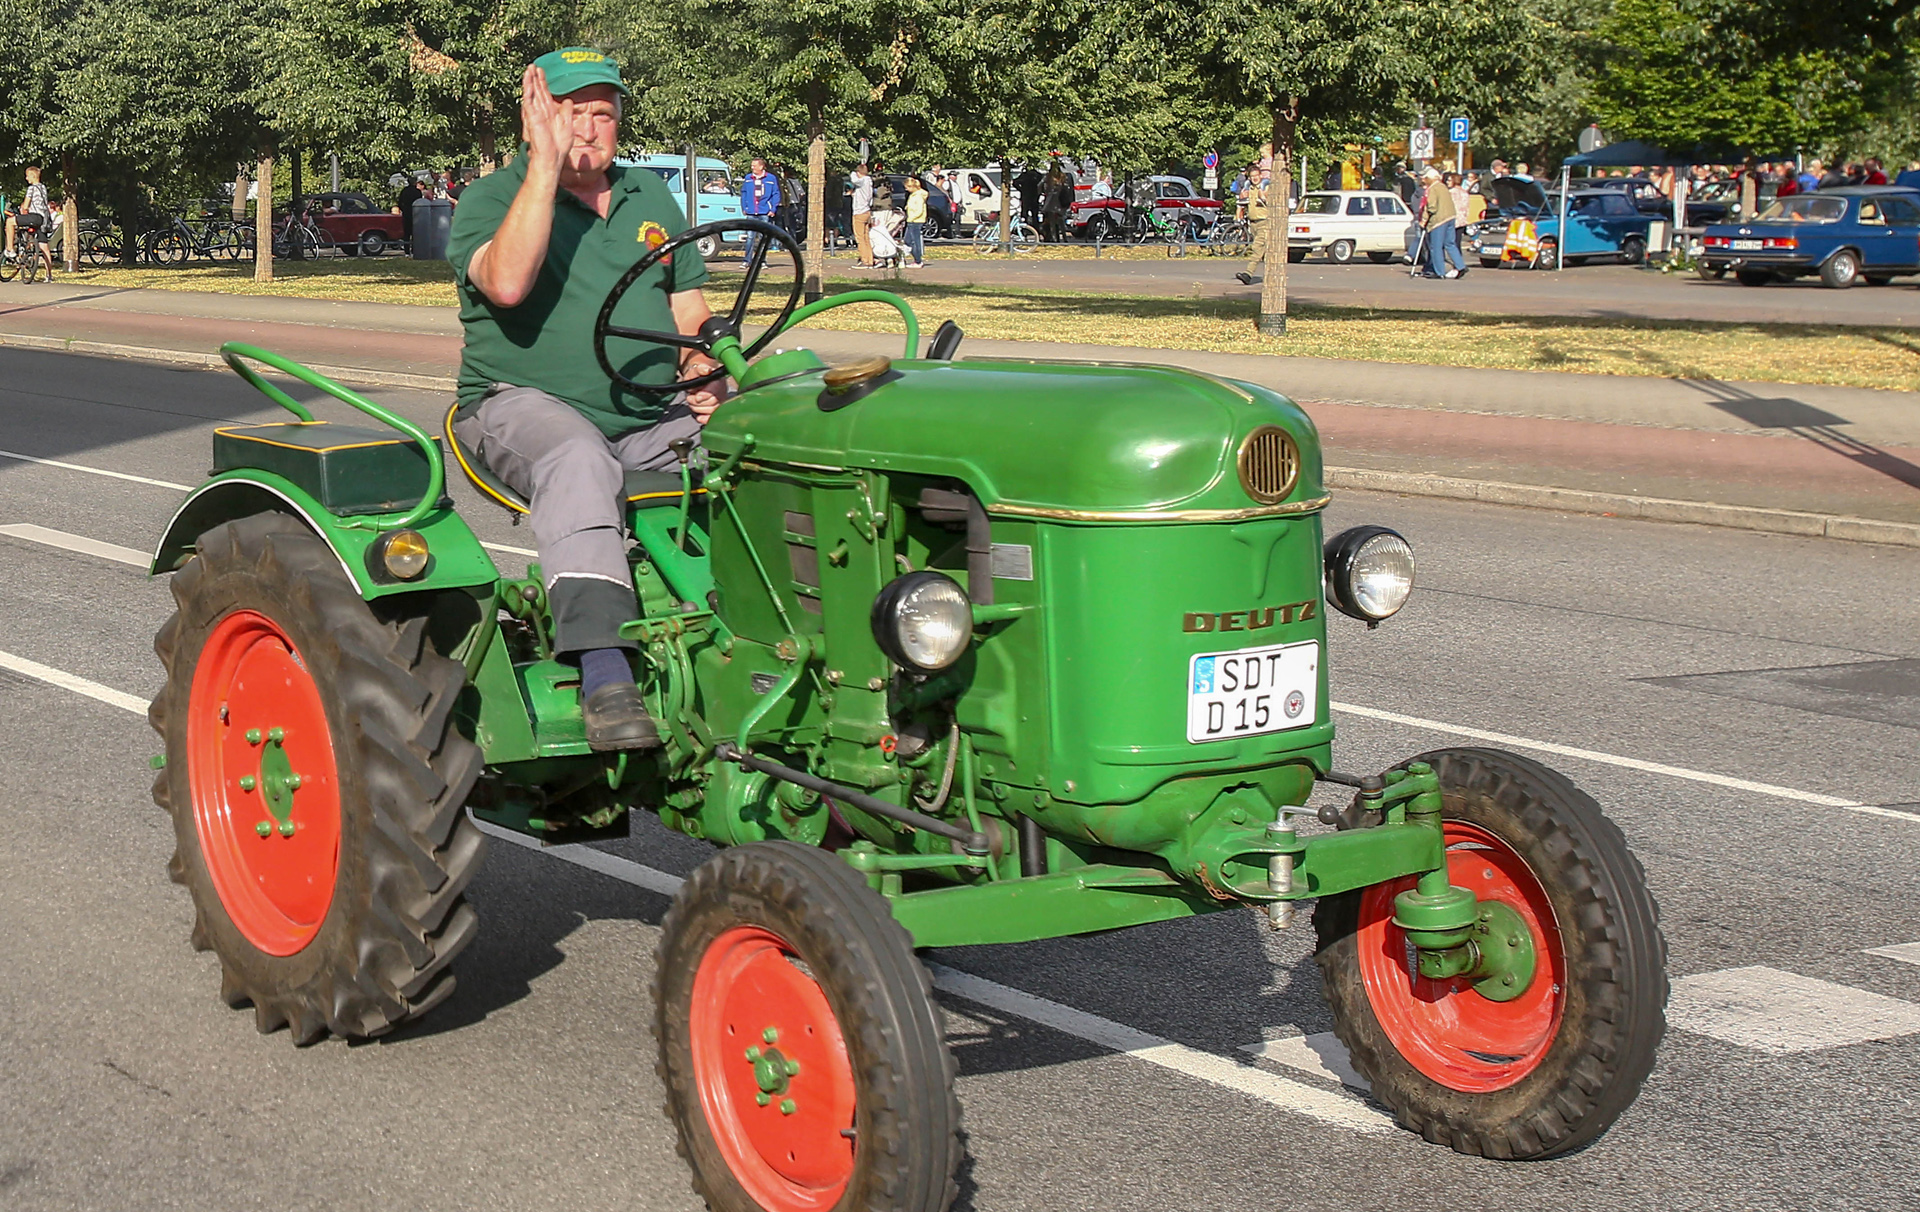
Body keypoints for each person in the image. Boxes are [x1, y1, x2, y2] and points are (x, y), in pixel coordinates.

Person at [447, 48, 725, 750]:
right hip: (515, 404)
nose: (591, 129)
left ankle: (748, 633)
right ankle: (604, 668)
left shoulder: (648, 196)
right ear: (536, 120)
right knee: (577, 457)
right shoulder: (490, 199)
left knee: (756, 444)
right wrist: (542, 169)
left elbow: (689, 310)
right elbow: (506, 284)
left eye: (605, 113)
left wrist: (707, 383)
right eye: (573, 113)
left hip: (643, 409)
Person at [1420, 166, 1465, 279]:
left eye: (1425, 178)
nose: (1424, 180)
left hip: (1439, 220)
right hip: (1450, 217)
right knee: (1450, 243)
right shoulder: (1443, 187)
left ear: (1430, 178)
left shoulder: (1433, 189)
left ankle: (1439, 271)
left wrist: (1424, 220)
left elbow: (1431, 207)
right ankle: (1460, 266)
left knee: (1436, 246)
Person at [1233, 166, 1271, 285]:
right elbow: (1242, 204)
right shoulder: (1249, 189)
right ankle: (1272, 275)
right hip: (1253, 223)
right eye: (1252, 176)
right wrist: (1242, 198)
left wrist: (1264, 197)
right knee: (1264, 252)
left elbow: (1274, 205)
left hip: (1264, 222)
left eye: (1256, 175)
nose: (1255, 178)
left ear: (1261, 176)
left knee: (1257, 248)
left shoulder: (1267, 187)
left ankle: (1248, 274)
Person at [739, 156, 782, 261]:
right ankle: (747, 260)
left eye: (754, 165)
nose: (752, 167)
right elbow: (743, 193)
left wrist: (772, 209)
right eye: (752, 165)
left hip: (764, 212)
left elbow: (775, 194)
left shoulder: (770, 178)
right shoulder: (748, 178)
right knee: (750, 238)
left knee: (763, 238)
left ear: (761, 166)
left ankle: (762, 261)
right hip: (751, 212)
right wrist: (744, 207)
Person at [848, 163, 875, 267]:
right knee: (866, 237)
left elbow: (854, 180)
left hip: (859, 212)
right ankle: (870, 259)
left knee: (860, 238)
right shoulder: (869, 182)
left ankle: (864, 260)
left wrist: (853, 173)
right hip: (867, 211)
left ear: (859, 173)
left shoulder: (862, 180)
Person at [903, 174, 928, 267]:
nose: (906, 190)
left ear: (911, 186)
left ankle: (918, 260)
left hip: (916, 221)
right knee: (907, 240)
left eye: (907, 187)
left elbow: (919, 210)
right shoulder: (913, 195)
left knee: (914, 241)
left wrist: (912, 218)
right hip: (912, 220)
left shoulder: (918, 196)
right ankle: (913, 258)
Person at [396, 173, 424, 246]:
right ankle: (414, 249)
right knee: (415, 232)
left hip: (406, 212)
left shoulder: (404, 191)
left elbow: (399, 202)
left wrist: (403, 209)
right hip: (416, 213)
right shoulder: (417, 192)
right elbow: (420, 202)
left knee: (406, 233)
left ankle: (407, 250)